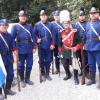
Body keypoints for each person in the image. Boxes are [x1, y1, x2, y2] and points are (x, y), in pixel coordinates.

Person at [11, 10, 37, 88]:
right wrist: (14, 49)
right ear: (19, 17)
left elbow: (33, 37)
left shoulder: (29, 26)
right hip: (20, 49)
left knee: (30, 65)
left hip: (29, 48)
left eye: (24, 16)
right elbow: (12, 39)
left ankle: (27, 79)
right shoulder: (15, 27)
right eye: (22, 16)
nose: (23, 18)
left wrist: (34, 46)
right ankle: (22, 80)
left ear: (26, 18)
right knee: (21, 66)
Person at [33, 9, 55, 82]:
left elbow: (54, 35)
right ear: (40, 17)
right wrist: (36, 39)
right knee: (41, 60)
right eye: (42, 16)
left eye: (45, 16)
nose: (43, 17)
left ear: (47, 16)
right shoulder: (37, 25)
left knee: (48, 60)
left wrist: (52, 44)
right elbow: (33, 34)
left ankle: (47, 74)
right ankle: (42, 73)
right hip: (41, 45)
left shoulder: (51, 25)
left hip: (49, 44)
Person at [58, 20, 81, 85]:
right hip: (64, 50)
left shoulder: (74, 32)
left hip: (73, 50)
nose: (66, 25)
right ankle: (68, 74)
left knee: (74, 64)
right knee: (65, 63)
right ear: (63, 25)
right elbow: (59, 42)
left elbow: (79, 42)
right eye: (64, 24)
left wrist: (76, 47)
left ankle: (76, 78)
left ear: (69, 24)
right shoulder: (61, 32)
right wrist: (59, 50)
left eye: (67, 23)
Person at [0, 19, 17, 98]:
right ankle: (0, 92)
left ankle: (8, 89)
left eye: (6, 25)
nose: (4, 27)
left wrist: (15, 52)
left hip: (9, 57)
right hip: (0, 59)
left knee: (10, 74)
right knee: (1, 76)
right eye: (2, 25)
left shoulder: (9, 35)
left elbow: (13, 46)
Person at [85, 4, 100, 89]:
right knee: (91, 64)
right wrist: (84, 44)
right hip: (89, 47)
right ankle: (92, 79)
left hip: (98, 47)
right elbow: (85, 35)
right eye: (91, 13)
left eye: (95, 13)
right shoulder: (88, 23)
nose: (93, 14)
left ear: (98, 14)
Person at [75, 7, 89, 84]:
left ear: (85, 16)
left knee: (87, 58)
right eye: (80, 16)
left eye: (83, 15)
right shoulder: (76, 24)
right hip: (79, 45)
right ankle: (82, 71)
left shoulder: (88, 23)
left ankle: (87, 72)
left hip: (87, 44)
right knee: (80, 59)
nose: (82, 17)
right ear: (79, 17)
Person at [51, 10, 64, 74]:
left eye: (58, 15)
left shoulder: (63, 23)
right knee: (56, 57)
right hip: (55, 43)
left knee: (65, 56)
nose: (57, 17)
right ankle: (57, 69)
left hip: (63, 43)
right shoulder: (51, 24)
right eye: (55, 16)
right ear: (54, 17)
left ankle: (66, 69)